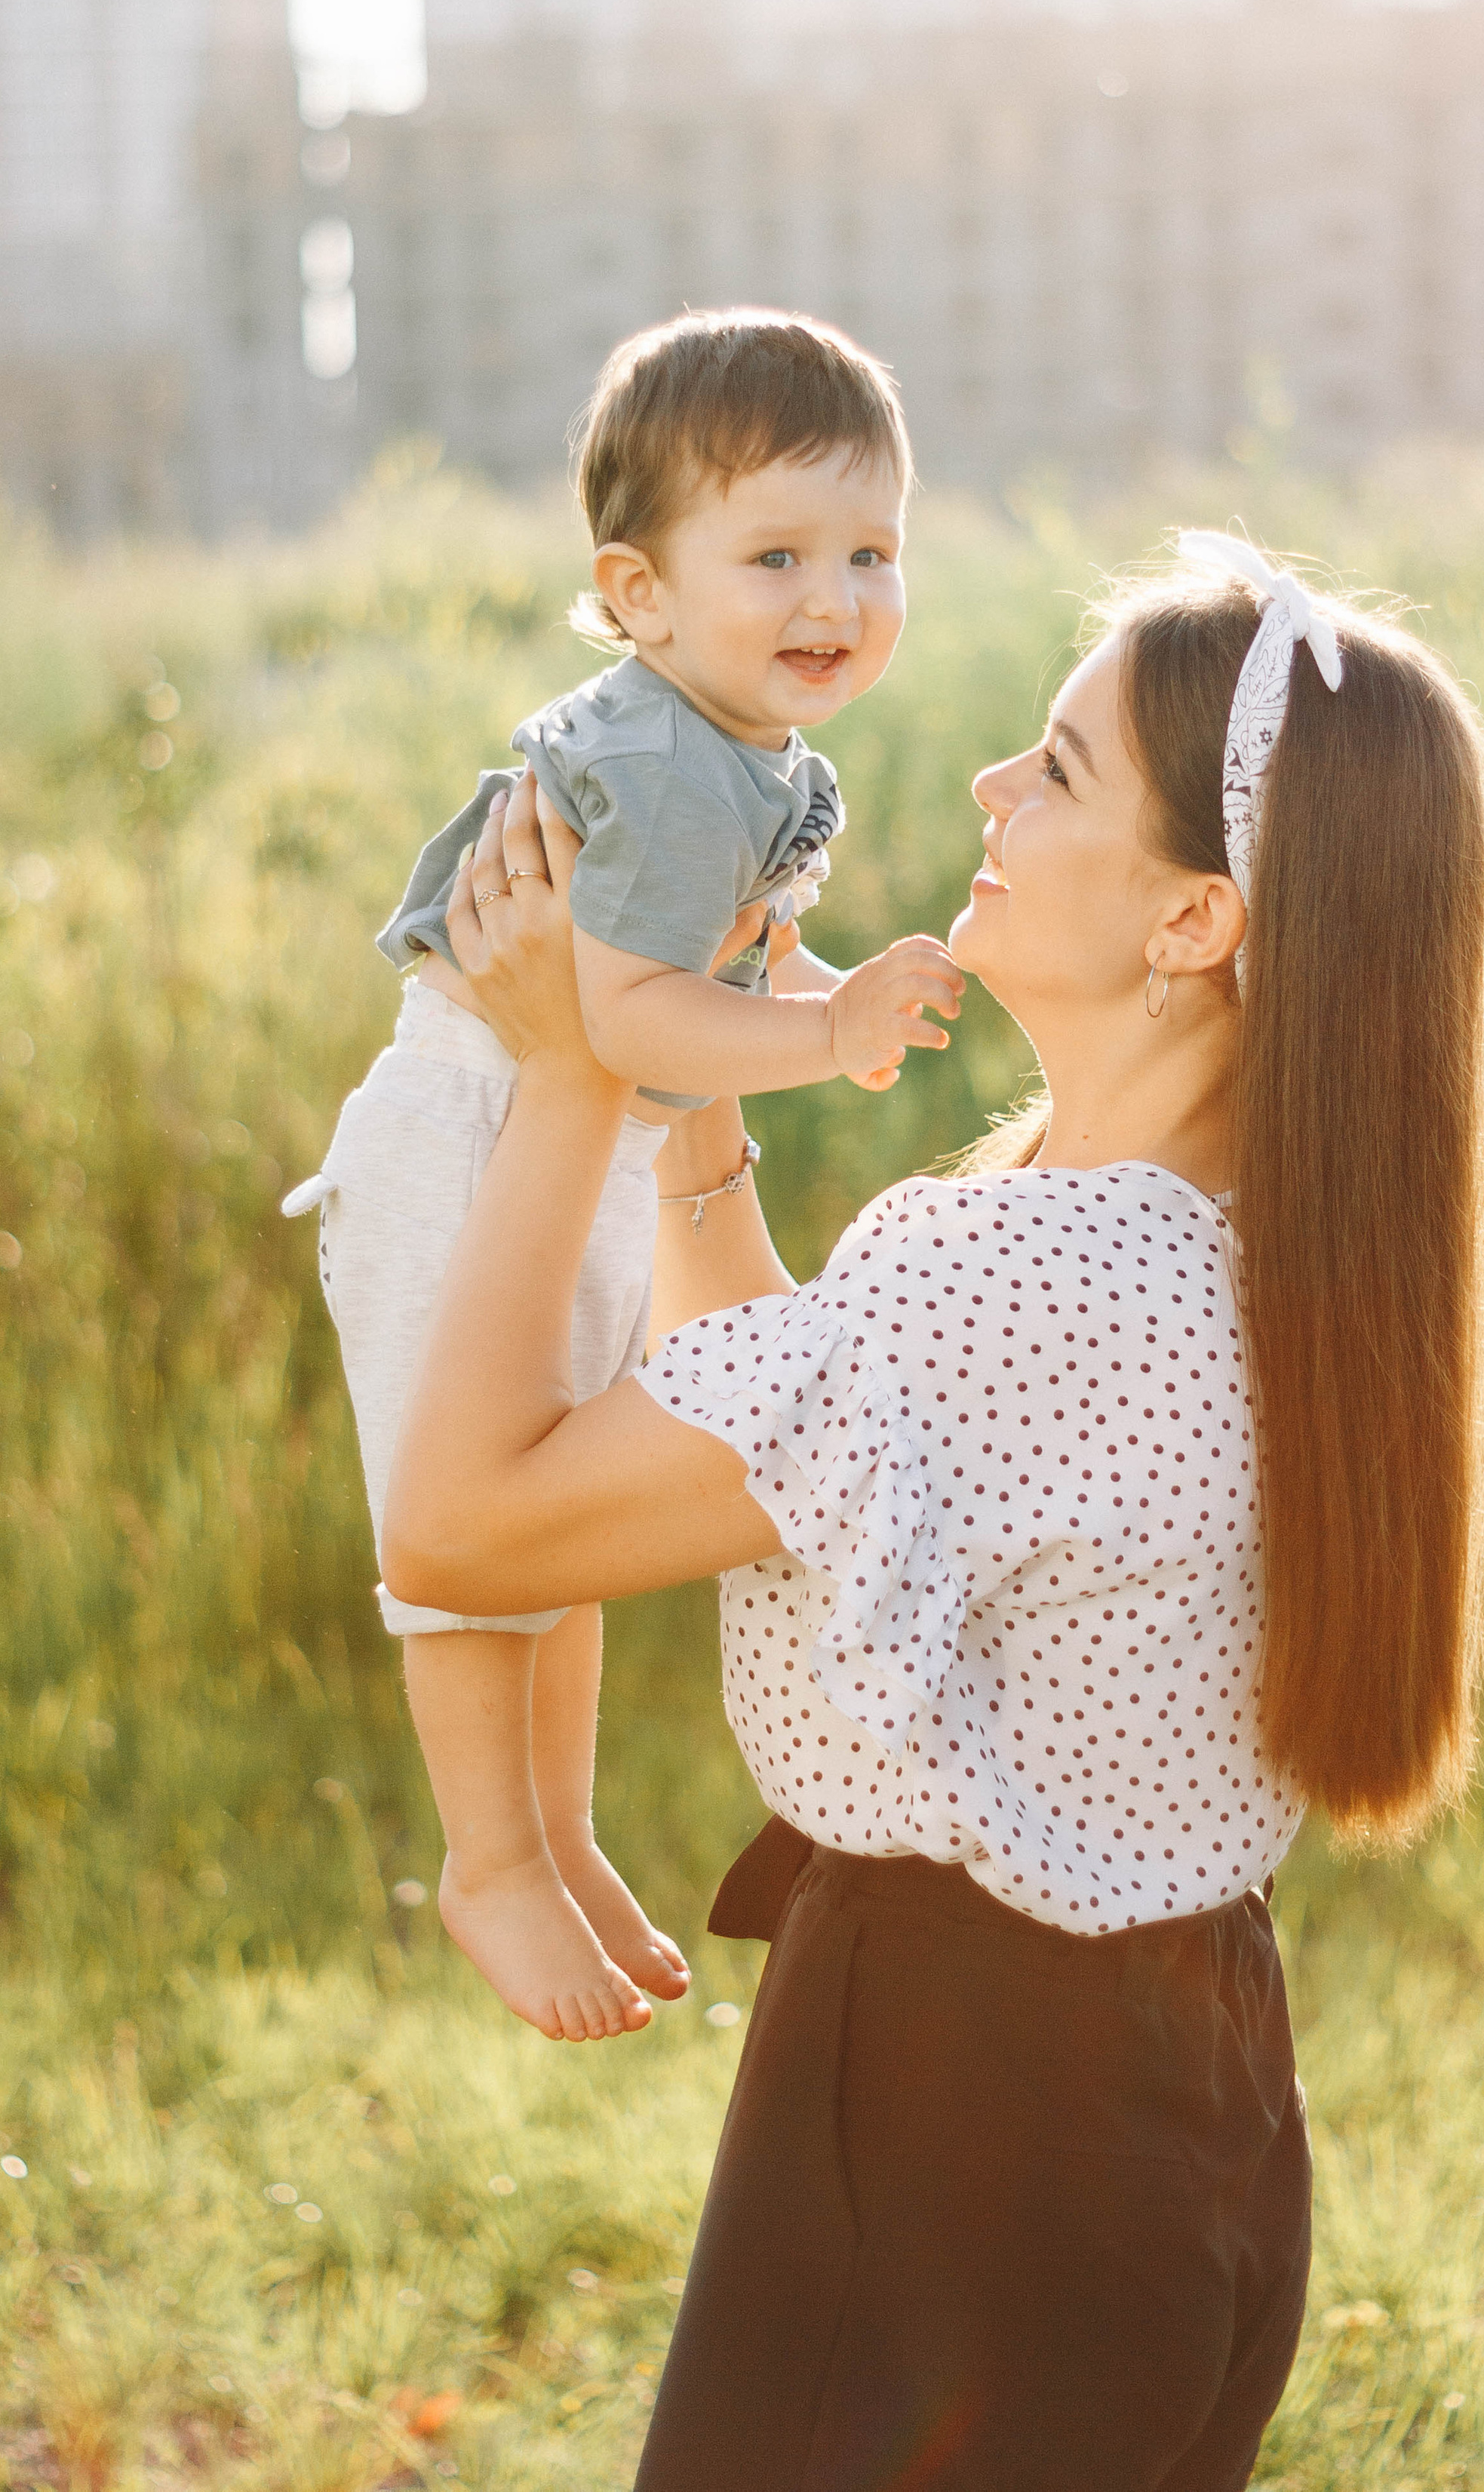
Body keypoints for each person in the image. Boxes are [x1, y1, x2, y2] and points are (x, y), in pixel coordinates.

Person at [380, 534, 1484, 2491]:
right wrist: (699, 1114)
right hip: (1184, 2115)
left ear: (1196, 920)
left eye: (1064, 772)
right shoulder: (1257, 1249)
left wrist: (572, 1071)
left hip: (952, 2146)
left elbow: (462, 1530)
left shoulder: (1011, 1277)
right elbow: (794, 1448)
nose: (997, 794)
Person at [283, 309, 963, 2047]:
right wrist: (821, 1040)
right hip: (462, 1144)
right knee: (463, 1530)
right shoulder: (664, 763)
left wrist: (834, 1003)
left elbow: (713, 979)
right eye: (777, 555)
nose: (837, 599)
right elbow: (628, 1011)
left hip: (559, 1147)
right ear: (638, 592)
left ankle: (560, 1834)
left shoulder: (746, 747)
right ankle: (485, 1856)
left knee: (559, 1511)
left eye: (871, 551)